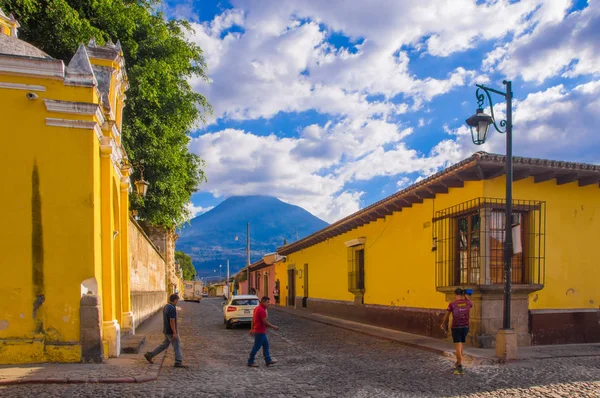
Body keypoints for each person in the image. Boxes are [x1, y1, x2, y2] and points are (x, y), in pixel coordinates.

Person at [144, 294, 188, 368]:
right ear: (175, 300)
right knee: (177, 345)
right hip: (171, 331)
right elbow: (172, 321)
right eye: (177, 300)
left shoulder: (166, 306)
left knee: (164, 345)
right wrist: (174, 332)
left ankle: (150, 354)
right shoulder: (172, 308)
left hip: (166, 330)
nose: (177, 302)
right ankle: (178, 361)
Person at [441, 288, 472, 375]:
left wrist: (443, 324)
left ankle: (460, 366)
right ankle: (458, 362)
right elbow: (469, 302)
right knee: (461, 344)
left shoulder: (452, 304)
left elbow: (447, 316)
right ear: (463, 295)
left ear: (456, 295)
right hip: (465, 327)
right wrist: (466, 297)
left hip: (456, 327)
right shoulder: (468, 303)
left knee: (458, 345)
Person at [248, 296, 279, 367]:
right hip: (260, 332)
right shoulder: (262, 310)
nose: (269, 304)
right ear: (263, 302)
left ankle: (268, 360)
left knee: (266, 346)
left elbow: (253, 320)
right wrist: (274, 327)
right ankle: (250, 361)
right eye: (267, 302)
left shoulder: (257, 308)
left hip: (260, 331)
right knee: (256, 347)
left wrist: (252, 329)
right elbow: (265, 322)